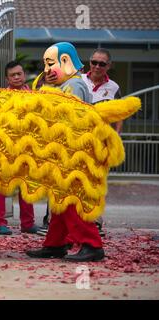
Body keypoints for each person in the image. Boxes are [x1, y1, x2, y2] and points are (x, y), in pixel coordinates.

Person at [26, 42, 105, 262]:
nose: (47, 70)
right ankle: (55, 244)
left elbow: (65, 117)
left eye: (50, 64)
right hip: (62, 151)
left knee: (69, 200)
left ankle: (92, 244)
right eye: (45, 65)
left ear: (65, 62)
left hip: (71, 152)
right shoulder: (65, 84)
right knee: (59, 200)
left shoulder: (75, 86)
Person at [0, 61, 40, 235]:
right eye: (13, 75)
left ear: (24, 75)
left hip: (27, 146)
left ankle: (28, 223)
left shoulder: (34, 96)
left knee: (27, 185)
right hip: (7, 147)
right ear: (7, 78)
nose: (17, 77)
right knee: (2, 185)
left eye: (19, 74)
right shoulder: (2, 97)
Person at [82, 48, 122, 236]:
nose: (97, 66)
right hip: (79, 140)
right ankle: (69, 223)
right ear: (89, 62)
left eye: (102, 64)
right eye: (94, 62)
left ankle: (95, 221)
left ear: (109, 66)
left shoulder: (113, 87)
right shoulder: (78, 81)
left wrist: (116, 137)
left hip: (100, 143)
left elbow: (119, 113)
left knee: (97, 182)